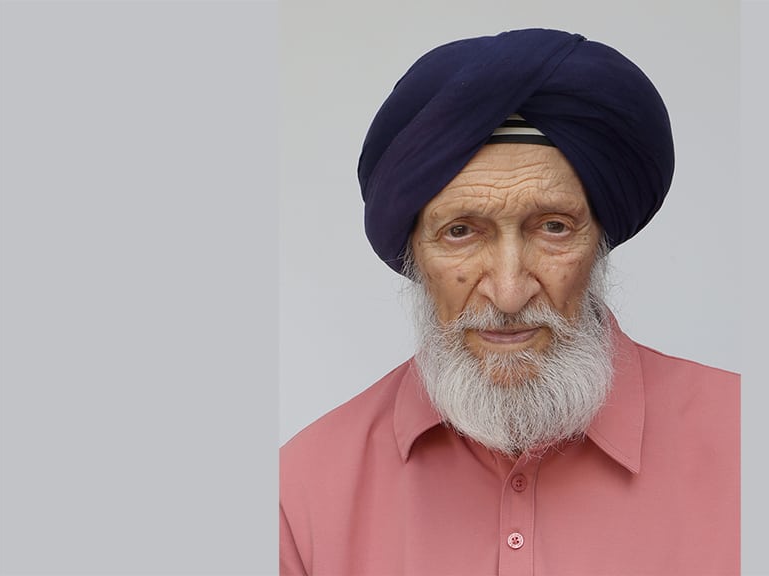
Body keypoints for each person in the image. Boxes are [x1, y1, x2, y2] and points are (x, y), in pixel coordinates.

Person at [280, 28, 739, 575]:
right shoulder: (302, 492)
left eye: (552, 227)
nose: (508, 290)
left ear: (599, 241)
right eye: (460, 232)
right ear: (414, 255)